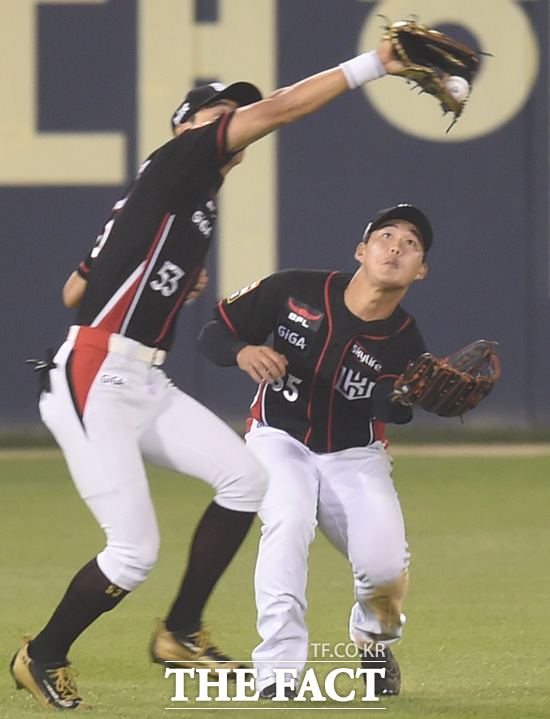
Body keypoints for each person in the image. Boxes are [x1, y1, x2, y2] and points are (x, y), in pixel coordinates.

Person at [10, 38, 408, 711]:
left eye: (235, 114)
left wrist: (158, 274)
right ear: (188, 124)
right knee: (133, 551)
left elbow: (76, 288)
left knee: (246, 479)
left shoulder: (183, 195)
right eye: (221, 111)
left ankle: (181, 630)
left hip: (141, 378)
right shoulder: (185, 154)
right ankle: (41, 653)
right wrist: (373, 64)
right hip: (93, 372)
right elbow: (282, 109)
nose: (236, 119)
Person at [198, 204, 433, 699]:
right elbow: (214, 331)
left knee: (385, 567)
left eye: (410, 244)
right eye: (385, 236)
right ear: (361, 251)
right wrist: (243, 351)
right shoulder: (295, 289)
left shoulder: (404, 339)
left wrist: (405, 399)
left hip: (355, 454)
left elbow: (391, 408)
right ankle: (278, 672)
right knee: (288, 520)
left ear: (421, 269)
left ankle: (373, 642)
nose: (395, 247)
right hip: (277, 437)